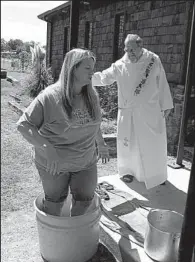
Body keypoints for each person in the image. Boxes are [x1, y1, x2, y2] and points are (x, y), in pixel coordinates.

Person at [17, 48, 109, 216]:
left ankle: (73, 238)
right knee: (54, 205)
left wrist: (101, 144)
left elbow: (94, 123)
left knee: (84, 202)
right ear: (73, 68)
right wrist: (46, 147)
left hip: (85, 162)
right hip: (55, 165)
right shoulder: (50, 97)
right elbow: (23, 125)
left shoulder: (91, 95)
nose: (92, 73)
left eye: (92, 68)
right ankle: (54, 240)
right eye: (87, 68)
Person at [92, 34, 173, 189]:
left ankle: (157, 175)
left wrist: (166, 104)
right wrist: (87, 77)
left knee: (152, 144)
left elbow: (161, 82)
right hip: (127, 113)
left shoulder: (153, 60)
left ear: (140, 46)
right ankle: (128, 171)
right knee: (129, 145)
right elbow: (104, 77)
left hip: (150, 111)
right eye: (127, 49)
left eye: (132, 49)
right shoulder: (120, 64)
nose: (129, 53)